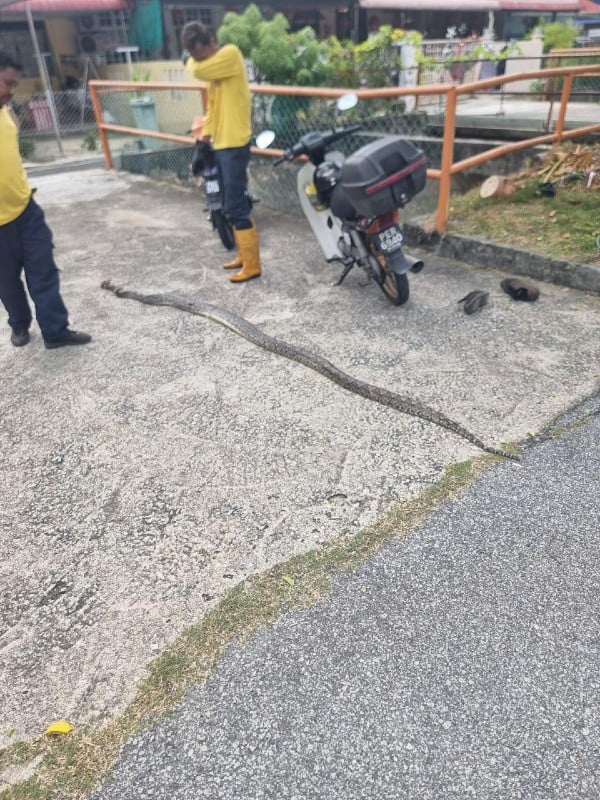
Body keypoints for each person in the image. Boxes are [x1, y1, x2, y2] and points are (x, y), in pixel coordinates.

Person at [0, 52, 91, 349]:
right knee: (6, 280)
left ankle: (55, 331)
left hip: (25, 208)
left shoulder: (5, 111)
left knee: (43, 270)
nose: (11, 91)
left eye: (14, 85)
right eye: (7, 83)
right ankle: (19, 323)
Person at [182, 22, 261, 283]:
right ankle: (243, 256)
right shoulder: (216, 73)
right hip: (222, 143)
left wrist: (189, 62)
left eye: (198, 54)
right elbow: (213, 108)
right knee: (227, 203)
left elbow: (198, 71)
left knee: (236, 205)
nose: (198, 60)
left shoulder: (230, 54)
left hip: (235, 143)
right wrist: (205, 137)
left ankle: (252, 265)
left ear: (209, 43)